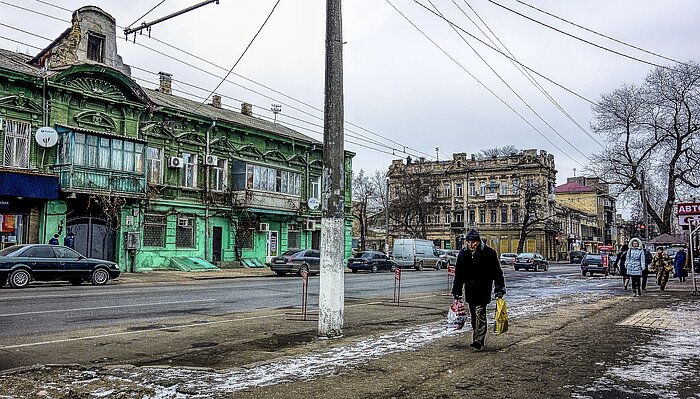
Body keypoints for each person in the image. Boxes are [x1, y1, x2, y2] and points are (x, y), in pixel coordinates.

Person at [451, 228, 506, 350]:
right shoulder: (463, 254)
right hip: (470, 290)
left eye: (474, 242)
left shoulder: (489, 253)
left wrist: (499, 288)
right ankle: (477, 335)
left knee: (480, 312)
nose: (471, 245)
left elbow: (497, 273)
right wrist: (457, 291)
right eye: (469, 242)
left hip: (483, 289)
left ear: (478, 242)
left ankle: (478, 340)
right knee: (474, 315)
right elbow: (459, 275)